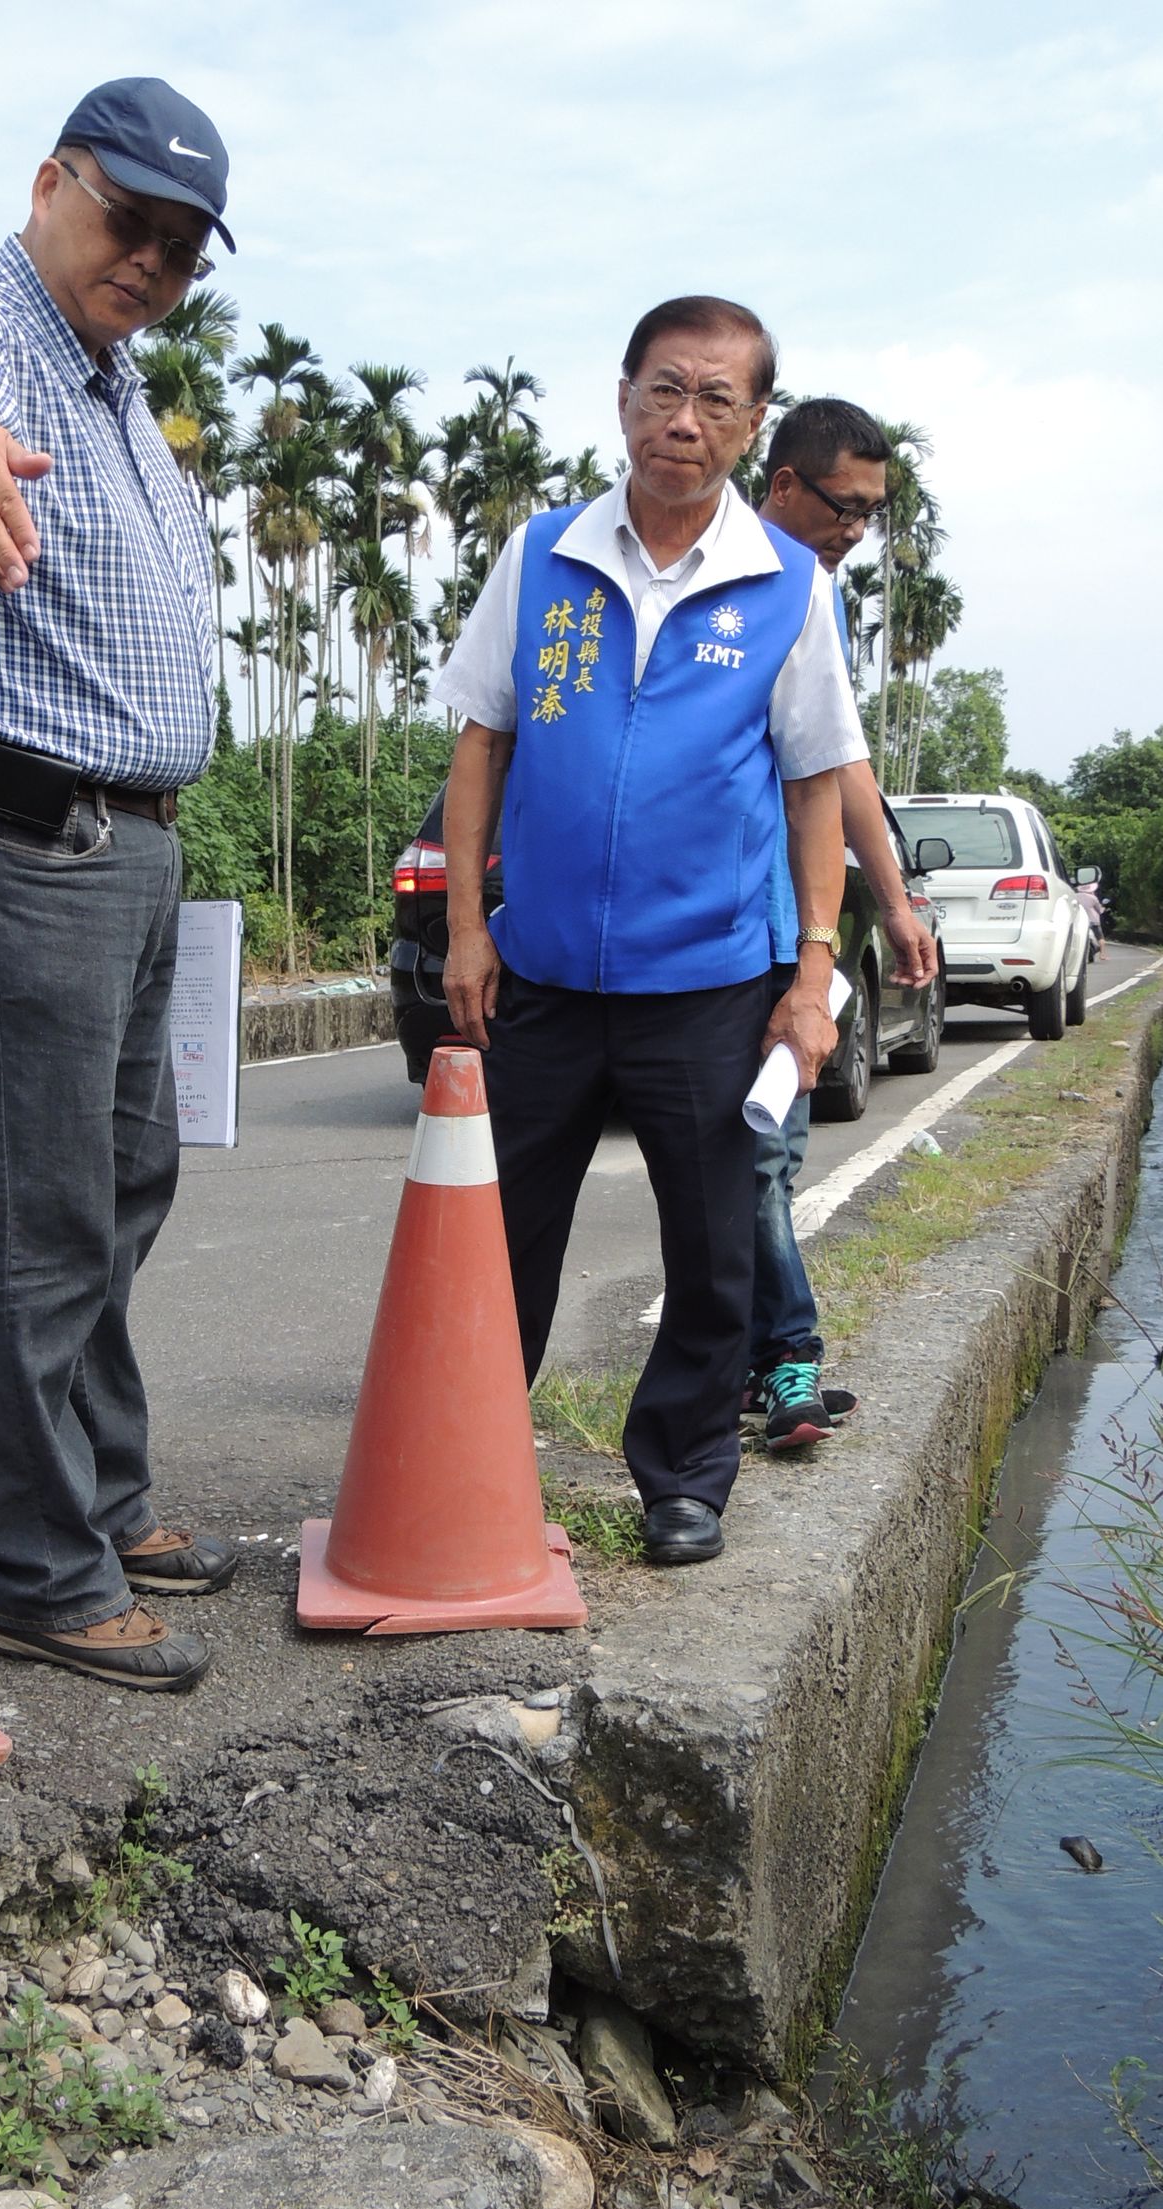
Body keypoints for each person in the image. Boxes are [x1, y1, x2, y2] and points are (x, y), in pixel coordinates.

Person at [0, 77, 238, 1691]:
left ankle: (103, 1496)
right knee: (28, 1218)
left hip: (116, 844)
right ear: (49, 183)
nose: (147, 259)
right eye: (124, 218)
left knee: (121, 1182)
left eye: (181, 244)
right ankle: (31, 1567)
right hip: (2, 831)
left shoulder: (110, 384)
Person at [436, 294, 868, 1567]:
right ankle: (465, 1461)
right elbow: (481, 744)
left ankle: (683, 1477)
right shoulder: (543, 554)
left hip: (711, 983)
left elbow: (811, 789)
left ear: (750, 427)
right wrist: (470, 928)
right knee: (499, 1233)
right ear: (622, 396)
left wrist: (812, 972)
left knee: (714, 1241)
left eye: (717, 400)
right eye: (663, 389)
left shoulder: (786, 586)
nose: (684, 420)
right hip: (546, 977)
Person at [749, 399, 938, 1450]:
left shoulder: (806, 597)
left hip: (790, 932)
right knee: (744, 1164)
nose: (854, 530)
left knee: (763, 1158)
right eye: (844, 506)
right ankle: (775, 1354)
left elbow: (840, 768)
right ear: (783, 484)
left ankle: (775, 1356)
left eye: (871, 514)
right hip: (704, 931)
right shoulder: (724, 582)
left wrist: (894, 900)